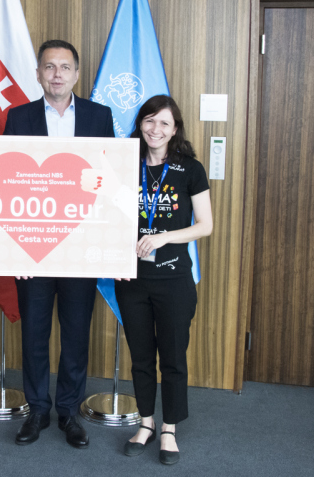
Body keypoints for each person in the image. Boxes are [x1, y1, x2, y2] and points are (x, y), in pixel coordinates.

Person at [3, 39, 114, 448]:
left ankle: (68, 411)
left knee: (75, 334)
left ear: (77, 74)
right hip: (32, 246)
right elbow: (7, 180)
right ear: (38, 74)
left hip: (81, 246)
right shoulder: (19, 117)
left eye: (65, 67)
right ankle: (37, 410)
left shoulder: (99, 116)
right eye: (49, 67)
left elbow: (110, 177)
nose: (57, 74)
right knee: (34, 333)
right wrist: (14, 247)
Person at [115, 95, 212, 465]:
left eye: (164, 123)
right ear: (140, 124)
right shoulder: (125, 164)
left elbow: (205, 225)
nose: (155, 129)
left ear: (175, 130)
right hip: (132, 279)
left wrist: (163, 237)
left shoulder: (190, 169)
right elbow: (108, 214)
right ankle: (146, 423)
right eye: (149, 120)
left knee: (172, 357)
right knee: (141, 356)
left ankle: (169, 428)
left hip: (173, 280)